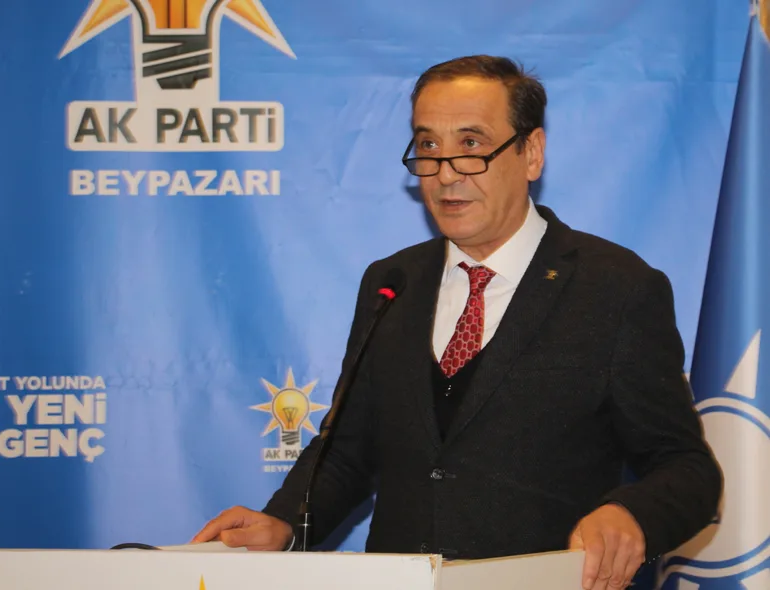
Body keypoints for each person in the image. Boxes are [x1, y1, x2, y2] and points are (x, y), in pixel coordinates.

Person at [192, 55, 722, 590]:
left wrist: (632, 515)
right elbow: (347, 448)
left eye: (471, 144)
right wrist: (284, 523)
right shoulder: (391, 282)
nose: (445, 173)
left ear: (531, 153)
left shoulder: (615, 287)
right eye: (428, 146)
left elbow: (686, 469)